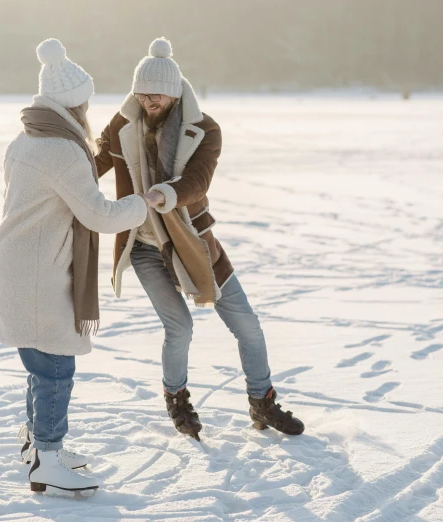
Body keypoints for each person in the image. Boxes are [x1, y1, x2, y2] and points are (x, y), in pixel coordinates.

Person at [95, 37, 304, 440]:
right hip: (143, 246)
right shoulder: (123, 123)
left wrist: (165, 194)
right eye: (140, 93)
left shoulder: (204, 129)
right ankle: (177, 399)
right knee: (180, 328)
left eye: (154, 94)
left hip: (193, 241)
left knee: (248, 326)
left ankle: (262, 401)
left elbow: (198, 179)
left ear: (173, 93)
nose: (146, 101)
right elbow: (94, 163)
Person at [0, 38, 163, 496]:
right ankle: (47, 457)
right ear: (75, 105)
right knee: (54, 368)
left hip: (20, 262)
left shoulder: (26, 138)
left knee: (39, 363)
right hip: (38, 272)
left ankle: (38, 445)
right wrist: (141, 204)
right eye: (85, 102)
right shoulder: (63, 150)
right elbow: (99, 215)